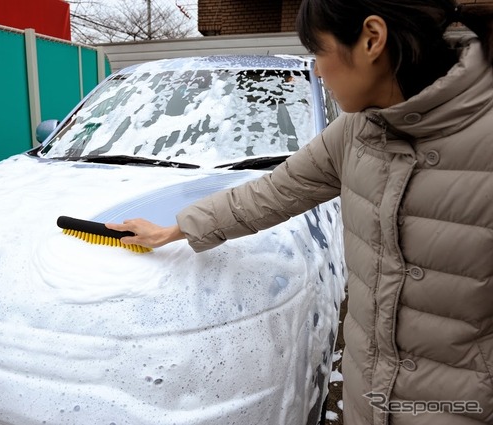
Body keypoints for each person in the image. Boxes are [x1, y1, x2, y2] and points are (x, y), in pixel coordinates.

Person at [107, 0, 493, 423]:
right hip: (370, 403)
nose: (317, 70)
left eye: (319, 51)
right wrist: (177, 228)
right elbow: (276, 190)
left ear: (372, 39)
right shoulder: (356, 133)